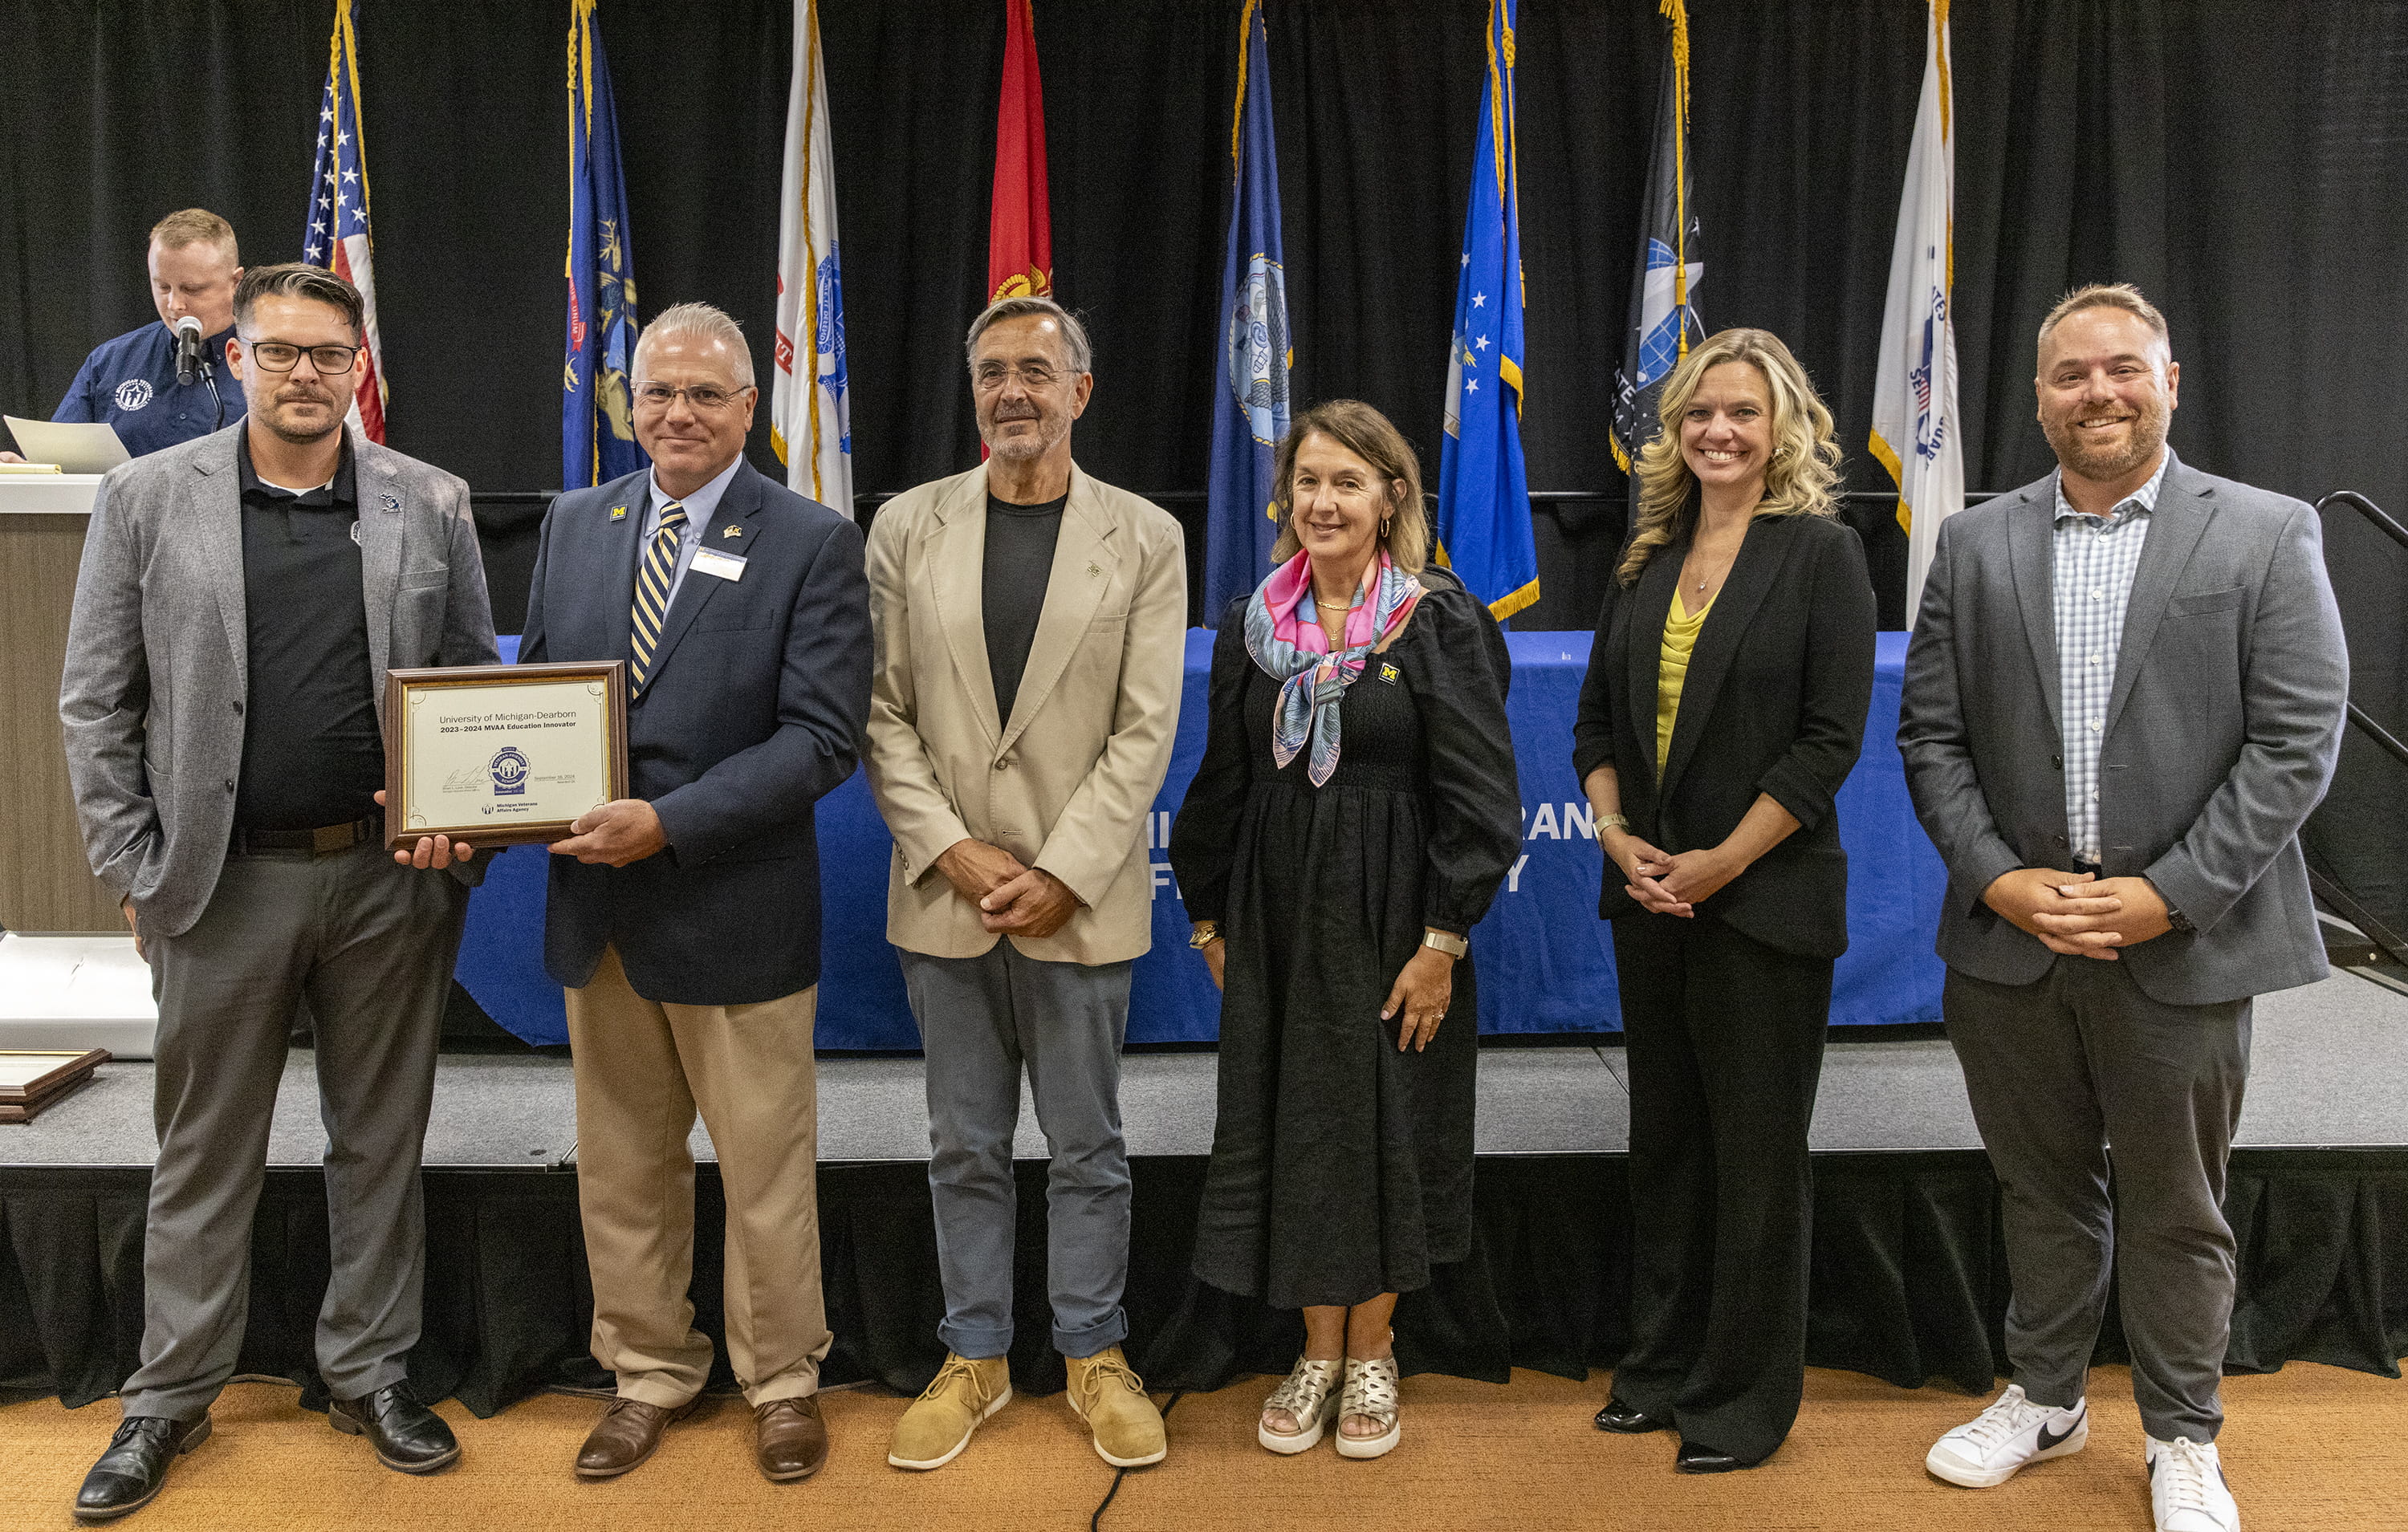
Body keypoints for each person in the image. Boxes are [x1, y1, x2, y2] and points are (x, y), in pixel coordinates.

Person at [1900, 284, 2348, 1532]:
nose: (2098, 392)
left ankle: (2184, 1435)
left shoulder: (2262, 534)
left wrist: (2170, 893)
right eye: (2070, 375)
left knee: (2175, 1205)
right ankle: (2046, 1397)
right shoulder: (1975, 544)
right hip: (2011, 944)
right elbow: (1930, 734)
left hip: (2185, 945)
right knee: (2038, 1191)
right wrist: (1995, 876)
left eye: (2122, 369)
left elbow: (2297, 743)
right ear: (2037, 396)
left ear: (2170, 379)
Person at [58, 262, 497, 1522]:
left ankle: (369, 1370)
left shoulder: (432, 502)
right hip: (215, 886)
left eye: (327, 355)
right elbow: (96, 700)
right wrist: (133, 865)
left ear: (359, 365)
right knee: (202, 1149)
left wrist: (459, 834)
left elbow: (470, 684)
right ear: (237, 356)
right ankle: (169, 1393)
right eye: (280, 351)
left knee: (381, 1139)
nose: (304, 374)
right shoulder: (146, 499)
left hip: (384, 888)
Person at [515, 303, 869, 1485]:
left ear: (747, 407)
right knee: (622, 1162)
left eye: (705, 394)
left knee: (766, 1166)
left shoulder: (813, 538)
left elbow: (822, 738)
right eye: (657, 392)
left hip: (735, 907)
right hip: (600, 917)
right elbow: (534, 699)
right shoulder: (577, 522)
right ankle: (648, 1369)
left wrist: (668, 822)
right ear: (629, 401)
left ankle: (782, 1378)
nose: (677, 413)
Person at [865, 295, 1186, 1473]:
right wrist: (952, 847)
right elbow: (882, 713)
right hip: (944, 896)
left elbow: (1145, 733)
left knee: (1090, 1141)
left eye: (1037, 373)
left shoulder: (1147, 535)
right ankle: (978, 1357)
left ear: (1080, 392)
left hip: (1082, 900)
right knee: (964, 1144)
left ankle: (1097, 1353)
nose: (1014, 391)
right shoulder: (904, 526)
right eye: (994, 371)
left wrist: (1059, 870)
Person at [1168, 399, 1520, 1461]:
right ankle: (1316, 1348)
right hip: (1277, 919)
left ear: (1389, 498)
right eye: (1308, 481)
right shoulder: (1251, 626)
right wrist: (1209, 922)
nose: (1323, 501)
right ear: (1287, 498)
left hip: (1394, 919)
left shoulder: (1436, 619)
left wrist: (1441, 943)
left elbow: (1481, 798)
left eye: (1348, 482)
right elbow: (1222, 784)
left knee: (1388, 1129)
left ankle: (1375, 1347)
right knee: (1295, 1125)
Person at [1569, 329, 1875, 1473]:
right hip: (1648, 897)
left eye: (1743, 412)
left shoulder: (1821, 556)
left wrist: (1718, 862)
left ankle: (1743, 1400)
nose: (1719, 431)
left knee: (1755, 1159)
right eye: (1700, 413)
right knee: (1668, 1144)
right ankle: (1660, 1366)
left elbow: (1825, 745)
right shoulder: (1646, 555)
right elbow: (1597, 723)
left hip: (1763, 903)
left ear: (1782, 426)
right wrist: (1617, 837)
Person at [4, 209, 246, 465]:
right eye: (163, 287)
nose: (175, 305)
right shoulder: (112, 360)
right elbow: (59, 464)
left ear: (236, 283)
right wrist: (28, 470)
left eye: (192, 289)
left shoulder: (266, 360)